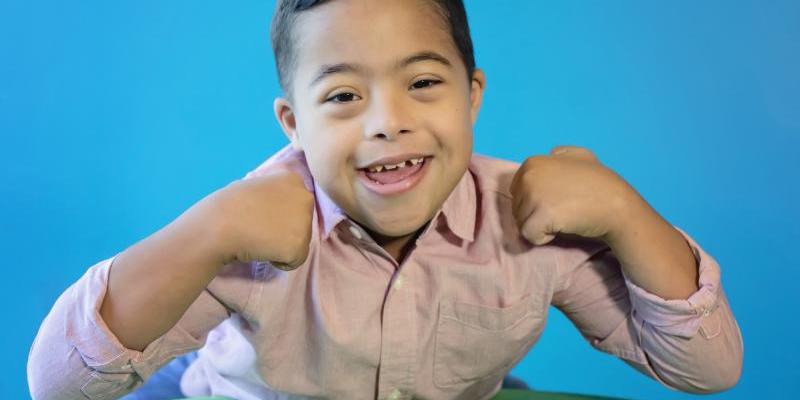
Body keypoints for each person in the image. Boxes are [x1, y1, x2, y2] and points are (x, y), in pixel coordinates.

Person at [27, 1, 744, 399]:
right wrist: (211, 228)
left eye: (423, 83)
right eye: (342, 96)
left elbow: (708, 371)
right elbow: (55, 387)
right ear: (294, 125)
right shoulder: (250, 230)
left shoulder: (527, 224)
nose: (385, 121)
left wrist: (625, 212)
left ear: (472, 95)